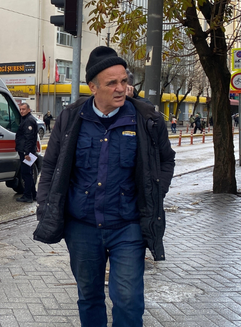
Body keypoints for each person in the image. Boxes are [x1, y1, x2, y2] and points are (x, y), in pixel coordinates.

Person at [33, 46, 175, 327]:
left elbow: (166, 162)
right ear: (93, 87)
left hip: (128, 226)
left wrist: (155, 193)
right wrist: (45, 203)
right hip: (82, 226)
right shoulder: (71, 119)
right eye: (112, 83)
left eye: (124, 80)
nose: (122, 88)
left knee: (128, 299)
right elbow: (50, 166)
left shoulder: (147, 120)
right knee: (89, 296)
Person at [14, 102, 38, 203]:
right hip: (27, 152)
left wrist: (27, 153)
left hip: (27, 152)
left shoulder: (28, 121)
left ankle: (28, 196)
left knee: (26, 174)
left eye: (24, 109)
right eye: (20, 109)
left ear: (29, 110)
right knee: (28, 173)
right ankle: (33, 194)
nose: (21, 111)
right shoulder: (27, 119)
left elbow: (29, 139)